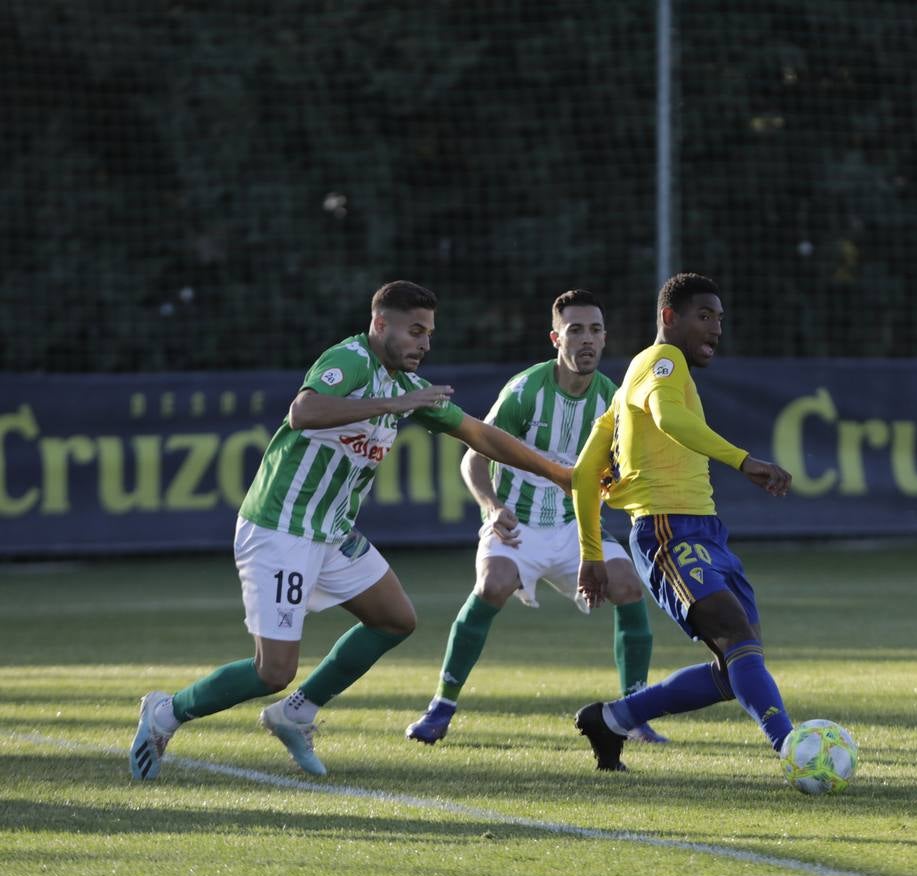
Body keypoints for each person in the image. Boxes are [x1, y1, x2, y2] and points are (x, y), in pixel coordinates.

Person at [128, 280, 571, 780]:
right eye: (415, 331)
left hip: (331, 532)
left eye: (429, 334)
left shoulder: (404, 387)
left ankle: (295, 713)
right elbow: (304, 411)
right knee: (272, 671)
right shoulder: (353, 360)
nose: (424, 343)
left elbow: (477, 432)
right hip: (281, 528)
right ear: (380, 324)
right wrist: (391, 407)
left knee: (395, 620)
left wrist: (558, 473)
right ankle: (166, 711)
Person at [404, 290, 667, 745]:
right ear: (555, 338)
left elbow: (619, 472)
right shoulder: (525, 391)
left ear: (605, 339)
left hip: (574, 528)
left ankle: (634, 712)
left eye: (596, 330)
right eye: (576, 330)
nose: (587, 340)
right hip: (517, 526)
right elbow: (474, 459)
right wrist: (491, 507)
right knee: (493, 585)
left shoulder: (614, 400)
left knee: (627, 585)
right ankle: (441, 707)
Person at [569, 272, 794, 772]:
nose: (715, 328)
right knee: (737, 637)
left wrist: (590, 555)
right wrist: (743, 460)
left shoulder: (632, 381)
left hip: (704, 531)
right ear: (669, 318)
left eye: (720, 318)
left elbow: (585, 473)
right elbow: (670, 419)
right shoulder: (662, 361)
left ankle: (613, 718)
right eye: (704, 316)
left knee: (733, 666)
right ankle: (794, 749)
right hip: (667, 529)